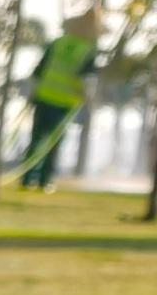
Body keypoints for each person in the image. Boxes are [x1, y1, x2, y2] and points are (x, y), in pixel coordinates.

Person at [22, 13, 99, 191]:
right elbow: (87, 80)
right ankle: (44, 181)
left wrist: (32, 93)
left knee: (36, 139)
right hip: (64, 102)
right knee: (53, 143)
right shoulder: (88, 50)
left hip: (43, 96)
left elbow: (39, 70)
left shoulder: (57, 43)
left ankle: (26, 179)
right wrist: (86, 97)